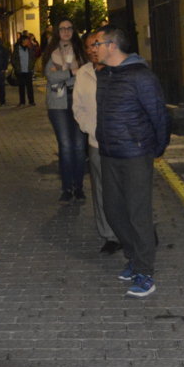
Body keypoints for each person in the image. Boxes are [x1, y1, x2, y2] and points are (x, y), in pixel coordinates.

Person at [93, 24, 170, 297]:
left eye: (97, 44)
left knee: (138, 213)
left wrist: (156, 148)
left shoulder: (141, 76)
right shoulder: (105, 75)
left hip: (136, 154)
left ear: (112, 45)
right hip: (109, 152)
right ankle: (134, 257)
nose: (94, 49)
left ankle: (145, 272)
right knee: (113, 211)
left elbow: (159, 115)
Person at [72, 30, 120, 253]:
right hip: (96, 142)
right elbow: (78, 107)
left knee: (126, 189)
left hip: (121, 142)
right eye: (88, 46)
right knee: (101, 191)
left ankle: (134, 229)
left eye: (96, 44)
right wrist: (91, 129)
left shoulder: (118, 70)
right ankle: (109, 235)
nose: (92, 50)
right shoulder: (83, 73)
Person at [44, 19, 87, 203]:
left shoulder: (82, 52)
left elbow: (85, 73)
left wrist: (62, 73)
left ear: (73, 31)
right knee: (66, 146)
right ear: (57, 32)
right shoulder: (51, 52)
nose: (66, 31)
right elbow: (50, 76)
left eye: (69, 28)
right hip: (58, 104)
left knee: (79, 147)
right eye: (62, 29)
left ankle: (79, 187)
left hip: (79, 102)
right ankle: (67, 188)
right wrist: (71, 72)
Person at [11, 33, 37, 106]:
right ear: (23, 40)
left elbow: (33, 58)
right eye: (27, 40)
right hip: (20, 71)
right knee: (21, 87)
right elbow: (13, 59)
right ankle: (22, 102)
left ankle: (31, 101)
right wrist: (17, 67)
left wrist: (31, 66)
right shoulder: (17, 49)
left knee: (30, 87)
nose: (28, 41)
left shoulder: (29, 49)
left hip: (28, 71)